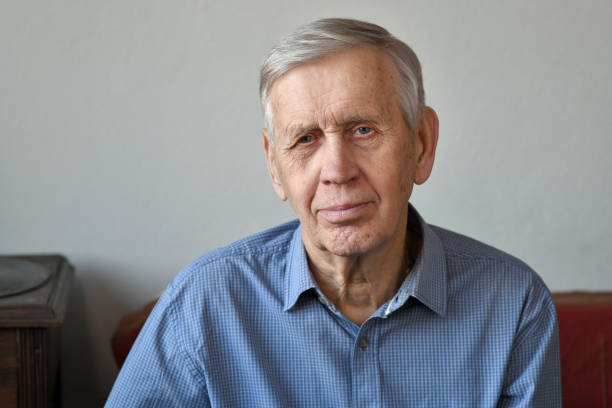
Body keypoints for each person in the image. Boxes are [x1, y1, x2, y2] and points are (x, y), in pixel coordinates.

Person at [106, 18, 561, 407]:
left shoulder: (514, 305)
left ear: (422, 143)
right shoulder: (204, 304)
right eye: (305, 139)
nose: (337, 172)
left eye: (363, 130)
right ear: (274, 164)